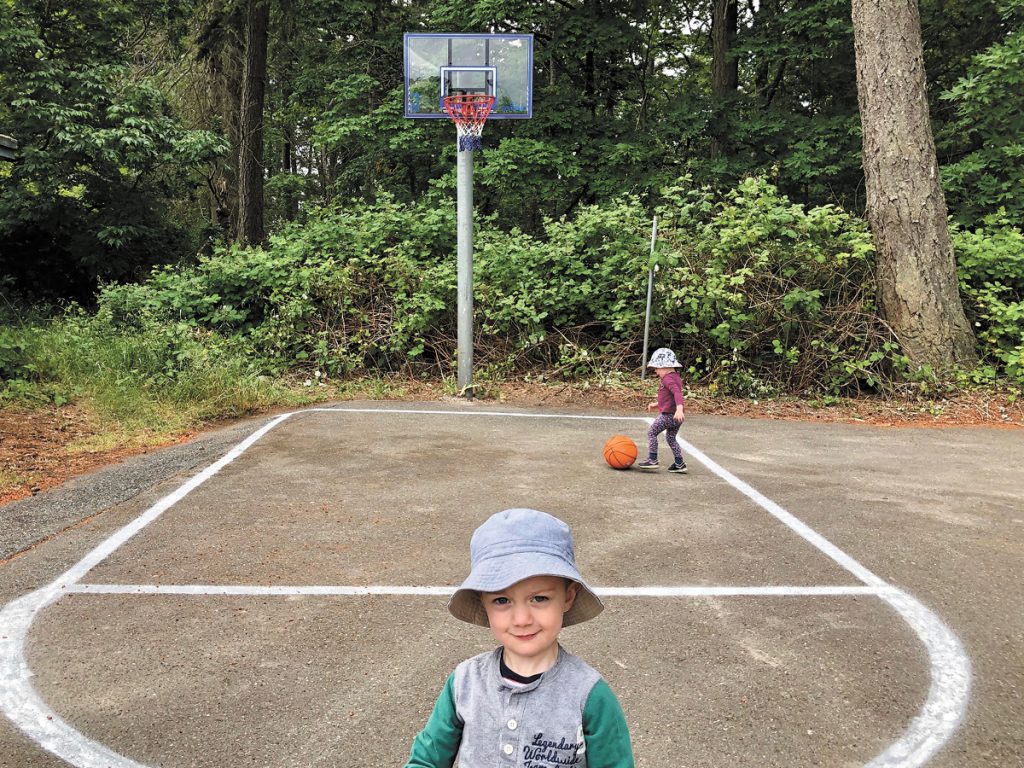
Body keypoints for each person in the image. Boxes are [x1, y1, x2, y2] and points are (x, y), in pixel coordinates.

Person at [404, 508, 635, 768]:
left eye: (539, 598)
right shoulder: (464, 682)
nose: (522, 619)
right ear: (483, 602)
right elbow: (426, 760)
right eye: (502, 600)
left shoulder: (589, 695)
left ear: (568, 597)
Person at [638, 347, 687, 473]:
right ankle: (679, 463)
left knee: (652, 433)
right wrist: (657, 404)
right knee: (671, 438)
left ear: (665, 366)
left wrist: (679, 409)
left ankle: (652, 459)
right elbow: (669, 397)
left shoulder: (667, 379)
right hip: (676, 417)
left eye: (656, 368)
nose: (655, 371)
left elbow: (677, 394)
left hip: (670, 416)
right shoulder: (675, 377)